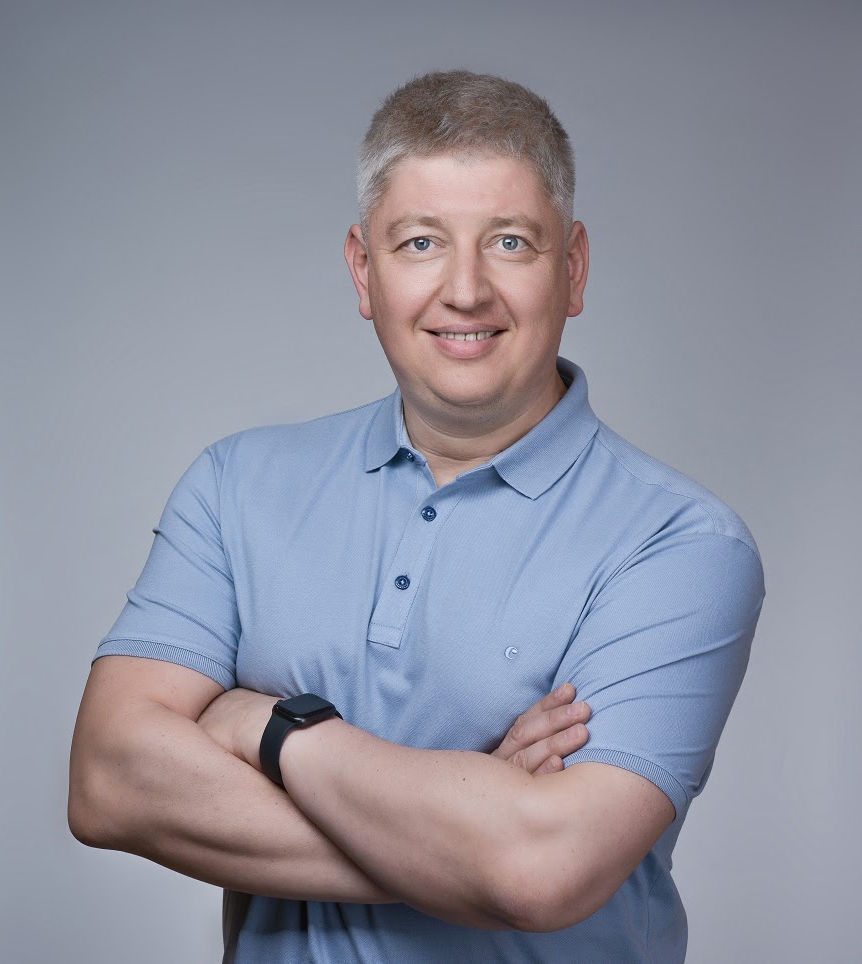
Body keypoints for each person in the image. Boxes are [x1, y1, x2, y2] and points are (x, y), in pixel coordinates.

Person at [69, 70, 764, 962]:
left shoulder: (681, 546)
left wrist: (269, 729)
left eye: (510, 242)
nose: (465, 289)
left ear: (573, 269)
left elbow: (541, 868)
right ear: (365, 270)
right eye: (421, 243)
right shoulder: (235, 485)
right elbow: (107, 783)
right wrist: (467, 837)